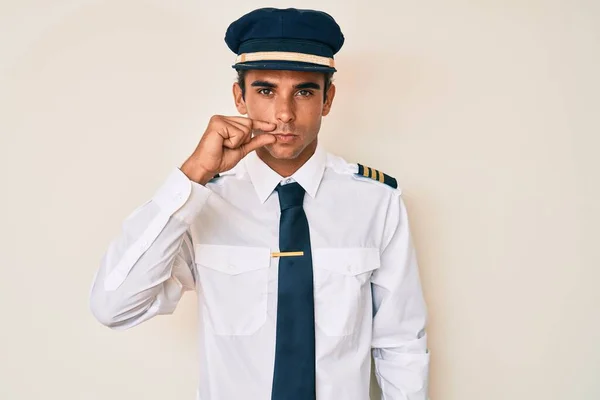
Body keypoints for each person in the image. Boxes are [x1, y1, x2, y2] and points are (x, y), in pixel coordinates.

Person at [90, 7, 430, 400]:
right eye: (266, 91)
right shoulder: (203, 201)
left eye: (304, 91)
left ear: (328, 99)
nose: (284, 114)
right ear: (240, 96)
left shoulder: (376, 200)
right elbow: (113, 307)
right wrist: (192, 176)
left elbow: (401, 343)